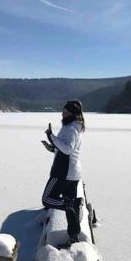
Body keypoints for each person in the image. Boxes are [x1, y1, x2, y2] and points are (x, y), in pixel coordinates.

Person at [41, 100, 85, 242]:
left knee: (47, 199)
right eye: (63, 111)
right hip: (72, 172)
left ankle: (72, 204)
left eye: (66, 112)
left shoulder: (71, 128)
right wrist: (51, 147)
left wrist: (51, 137)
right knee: (69, 207)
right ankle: (74, 235)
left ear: (73, 113)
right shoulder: (74, 127)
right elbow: (64, 148)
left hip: (63, 172)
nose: (62, 113)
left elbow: (67, 149)